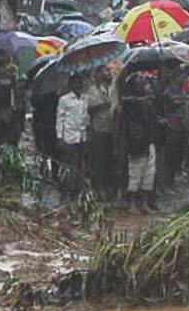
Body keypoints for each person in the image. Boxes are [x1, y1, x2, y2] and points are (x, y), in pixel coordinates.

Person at [117, 72, 161, 212]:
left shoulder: (149, 102)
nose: (148, 86)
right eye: (144, 83)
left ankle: (144, 202)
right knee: (135, 172)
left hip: (149, 140)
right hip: (136, 142)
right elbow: (127, 103)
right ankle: (131, 203)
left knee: (149, 173)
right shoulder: (131, 103)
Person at [84, 66, 117, 198]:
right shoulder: (92, 89)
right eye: (104, 71)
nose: (107, 74)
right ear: (97, 74)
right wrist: (101, 105)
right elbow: (88, 108)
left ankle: (108, 188)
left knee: (110, 159)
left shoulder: (113, 88)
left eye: (108, 71)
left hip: (112, 128)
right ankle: (98, 188)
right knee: (98, 160)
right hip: (98, 128)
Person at [55, 75, 89, 195]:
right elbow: (60, 119)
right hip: (69, 136)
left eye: (79, 83)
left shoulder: (85, 99)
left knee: (80, 164)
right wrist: (59, 137)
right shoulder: (64, 99)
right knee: (69, 164)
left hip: (82, 136)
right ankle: (66, 188)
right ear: (71, 85)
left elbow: (85, 117)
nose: (78, 85)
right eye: (75, 83)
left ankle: (77, 189)